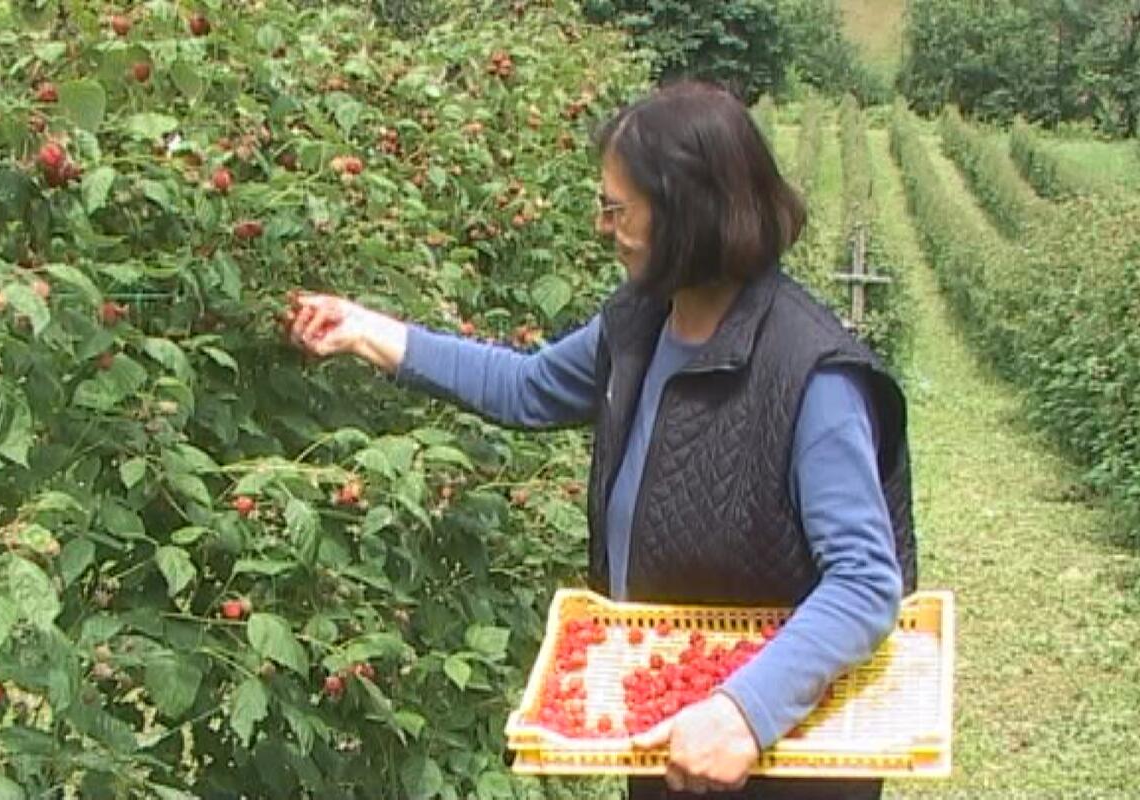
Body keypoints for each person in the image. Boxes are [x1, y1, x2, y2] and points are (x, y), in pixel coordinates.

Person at [285, 80, 916, 800]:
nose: (603, 225)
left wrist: (745, 709)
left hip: (781, 756)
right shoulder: (642, 322)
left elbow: (865, 583)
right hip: (670, 726)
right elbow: (526, 385)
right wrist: (366, 330)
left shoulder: (810, 372)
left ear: (684, 211)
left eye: (618, 209)